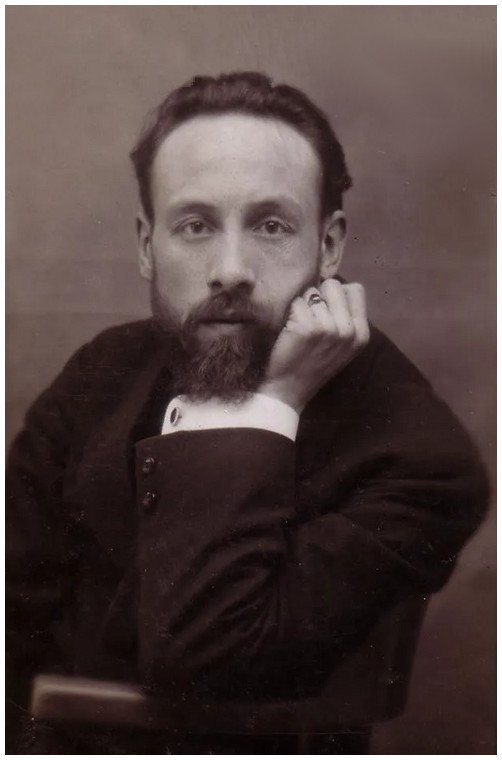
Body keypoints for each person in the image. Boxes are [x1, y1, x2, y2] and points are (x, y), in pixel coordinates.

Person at [6, 71, 489, 754]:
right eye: (195, 225)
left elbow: (204, 660)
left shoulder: (421, 463)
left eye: (270, 225)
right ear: (146, 246)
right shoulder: (101, 371)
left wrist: (268, 408)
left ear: (328, 246)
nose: (230, 269)